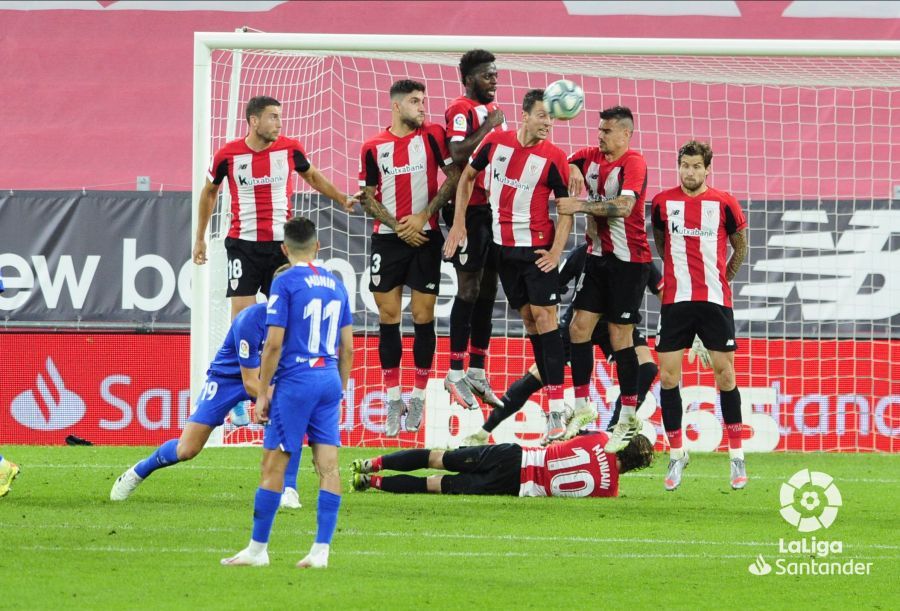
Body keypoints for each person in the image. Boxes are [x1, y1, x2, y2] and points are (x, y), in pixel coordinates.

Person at [192, 95, 356, 426]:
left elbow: (312, 176)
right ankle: (239, 392)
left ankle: (277, 386)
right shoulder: (228, 154)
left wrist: (340, 197)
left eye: (280, 116)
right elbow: (209, 192)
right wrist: (200, 237)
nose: (279, 122)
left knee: (282, 319)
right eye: (272, 117)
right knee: (243, 317)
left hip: (280, 246)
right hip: (243, 244)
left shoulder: (290, 149)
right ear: (253, 121)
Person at [110, 266, 303, 509]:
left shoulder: (302, 323)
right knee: (187, 449)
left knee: (288, 408)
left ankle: (289, 489)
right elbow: (250, 381)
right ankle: (138, 471)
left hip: (269, 378)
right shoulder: (250, 320)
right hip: (229, 379)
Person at [221, 217, 353, 568]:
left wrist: (262, 393)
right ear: (318, 247)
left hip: (296, 381)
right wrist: (338, 386)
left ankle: (257, 550)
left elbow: (274, 345)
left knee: (272, 464)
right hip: (328, 378)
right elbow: (348, 347)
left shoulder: (285, 281)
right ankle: (321, 551)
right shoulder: (336, 284)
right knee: (328, 466)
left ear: (284, 248)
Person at [445, 89, 573, 442]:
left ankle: (556, 410)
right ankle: (553, 403)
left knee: (546, 319)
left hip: (537, 254)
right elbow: (467, 177)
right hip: (503, 252)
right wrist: (458, 224)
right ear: (525, 115)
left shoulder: (554, 158)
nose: (548, 123)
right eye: (542, 115)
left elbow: (566, 209)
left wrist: (557, 251)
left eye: (552, 118)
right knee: (532, 322)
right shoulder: (494, 143)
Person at [462, 243, 666, 446]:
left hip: (614, 324)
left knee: (647, 368)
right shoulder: (585, 253)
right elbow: (555, 282)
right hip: (577, 323)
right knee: (538, 376)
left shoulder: (635, 254)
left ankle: (611, 431)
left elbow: (662, 291)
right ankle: (483, 432)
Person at [355, 80, 461, 437]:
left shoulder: (432, 136)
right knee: (388, 315)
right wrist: (398, 227)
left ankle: (418, 397)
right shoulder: (373, 147)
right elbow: (367, 197)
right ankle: (392, 399)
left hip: (426, 235)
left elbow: (454, 179)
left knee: (422, 315)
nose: (422, 107)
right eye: (415, 101)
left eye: (423, 100)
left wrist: (423, 215)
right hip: (389, 240)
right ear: (397, 106)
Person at [650, 140, 749, 491]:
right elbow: (661, 243)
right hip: (676, 302)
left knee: (725, 375)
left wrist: (723, 280)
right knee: (668, 378)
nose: (689, 172)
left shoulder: (724, 203)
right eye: (684, 166)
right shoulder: (662, 202)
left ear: (708, 169)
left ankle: (736, 455)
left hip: (714, 302)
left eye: (696, 166)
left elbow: (741, 245)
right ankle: (677, 455)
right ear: (678, 166)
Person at [558, 106, 653, 454]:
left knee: (619, 337)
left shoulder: (634, 163)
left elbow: (624, 208)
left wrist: (580, 205)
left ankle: (628, 414)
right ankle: (583, 406)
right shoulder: (590, 157)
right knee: (578, 329)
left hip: (630, 263)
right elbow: (569, 160)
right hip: (597, 260)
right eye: (599, 129)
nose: (600, 135)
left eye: (608, 130)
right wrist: (572, 171)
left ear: (626, 133)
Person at [441, 49, 508, 411]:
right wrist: (489, 126)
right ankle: (454, 371)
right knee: (468, 287)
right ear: (468, 79)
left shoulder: (496, 114)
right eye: (487, 76)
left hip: (495, 210)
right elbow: (456, 153)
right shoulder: (461, 109)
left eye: (495, 75)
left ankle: (478, 370)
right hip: (470, 208)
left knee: (488, 289)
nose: (494, 81)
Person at [350, 432, 653, 497]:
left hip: (516, 455)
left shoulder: (600, 438)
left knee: (438, 458)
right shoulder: (609, 490)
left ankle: (373, 463)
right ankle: (371, 483)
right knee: (436, 485)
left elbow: (569, 437)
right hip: (514, 486)